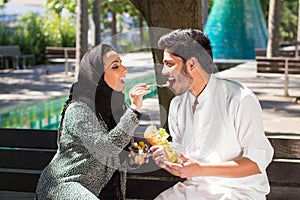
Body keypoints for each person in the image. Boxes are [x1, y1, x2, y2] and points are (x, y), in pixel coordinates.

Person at [151, 29, 274, 199]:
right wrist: (166, 156)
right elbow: (180, 151)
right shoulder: (177, 105)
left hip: (239, 192)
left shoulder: (240, 98)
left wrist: (201, 169)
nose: (164, 71)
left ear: (192, 65)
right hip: (194, 189)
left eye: (170, 64)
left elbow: (256, 163)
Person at [36, 44, 150, 199]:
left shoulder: (118, 107)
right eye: (115, 66)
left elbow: (115, 154)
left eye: (121, 63)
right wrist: (135, 110)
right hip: (63, 185)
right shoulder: (78, 109)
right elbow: (105, 149)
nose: (125, 70)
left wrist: (133, 158)